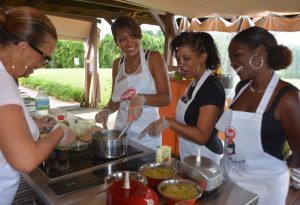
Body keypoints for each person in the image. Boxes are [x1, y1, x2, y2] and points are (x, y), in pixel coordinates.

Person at [215, 26, 300, 205]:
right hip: (230, 179)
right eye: (231, 58)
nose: (232, 63)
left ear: (259, 52)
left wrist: (291, 174)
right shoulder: (242, 87)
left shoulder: (288, 98)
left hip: (264, 190)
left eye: (237, 55)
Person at [0, 6, 75, 204]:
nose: (41, 64)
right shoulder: (3, 81)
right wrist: (60, 130)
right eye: (45, 57)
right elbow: (26, 159)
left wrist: (34, 123)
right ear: (23, 47)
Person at [141, 31, 225, 164]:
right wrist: (161, 123)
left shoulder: (211, 89)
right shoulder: (194, 83)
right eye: (178, 59)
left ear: (202, 57)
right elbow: (190, 119)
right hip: (190, 156)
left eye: (186, 59)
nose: (180, 64)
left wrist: (168, 122)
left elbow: (201, 136)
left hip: (206, 159)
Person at [95, 16, 170, 149]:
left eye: (133, 36)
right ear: (117, 42)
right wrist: (106, 111)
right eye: (122, 39)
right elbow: (116, 99)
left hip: (147, 135)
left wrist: (141, 98)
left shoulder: (153, 58)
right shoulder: (117, 64)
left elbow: (166, 98)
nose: (129, 43)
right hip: (121, 133)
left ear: (139, 36)